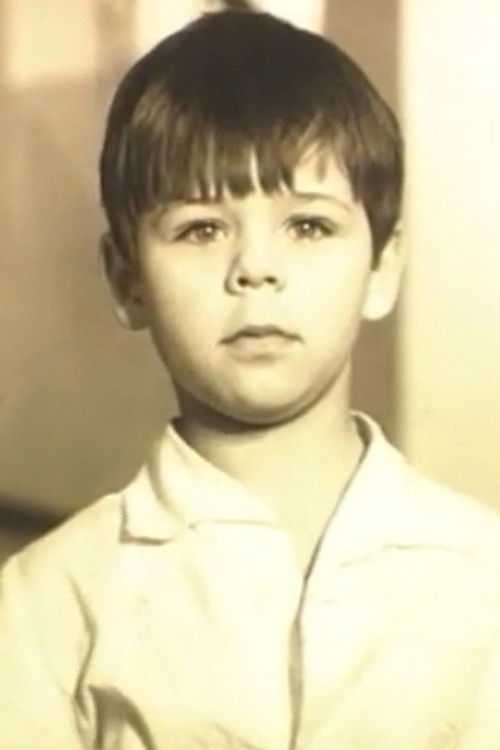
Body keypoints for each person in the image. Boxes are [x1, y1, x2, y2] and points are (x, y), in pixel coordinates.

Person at [1, 5, 500, 749]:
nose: (256, 268)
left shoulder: (481, 574)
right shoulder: (48, 604)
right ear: (126, 281)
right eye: (201, 229)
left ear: (382, 266)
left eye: (308, 226)